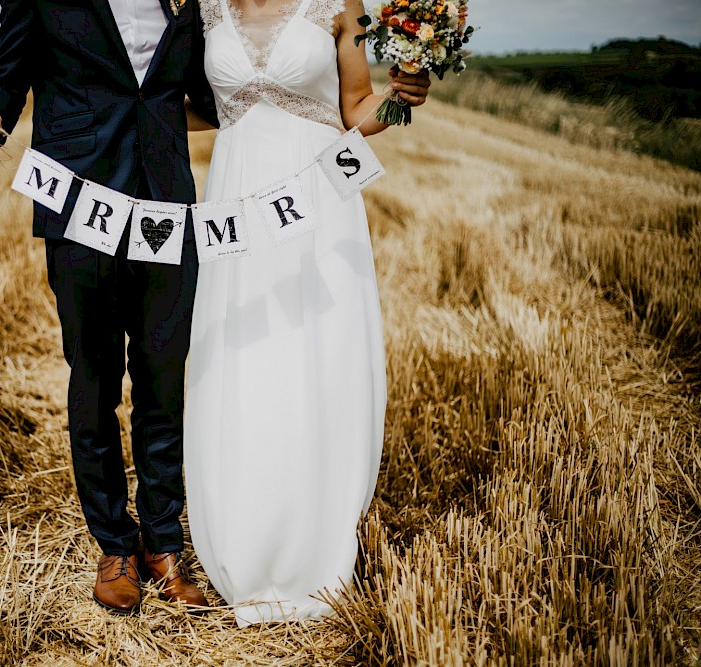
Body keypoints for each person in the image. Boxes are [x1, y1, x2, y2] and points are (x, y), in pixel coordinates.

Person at [0, 0, 220, 615]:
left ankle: (164, 543)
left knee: (164, 377)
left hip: (166, 202)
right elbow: (8, 70)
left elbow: (207, 90)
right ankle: (114, 545)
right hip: (79, 201)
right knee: (95, 379)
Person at [182, 0, 431, 626]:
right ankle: (243, 540)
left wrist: (405, 95)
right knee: (240, 357)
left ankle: (316, 545)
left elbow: (358, 109)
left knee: (315, 354)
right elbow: (173, 103)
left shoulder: (339, 4)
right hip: (236, 204)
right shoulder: (205, 6)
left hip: (318, 200)